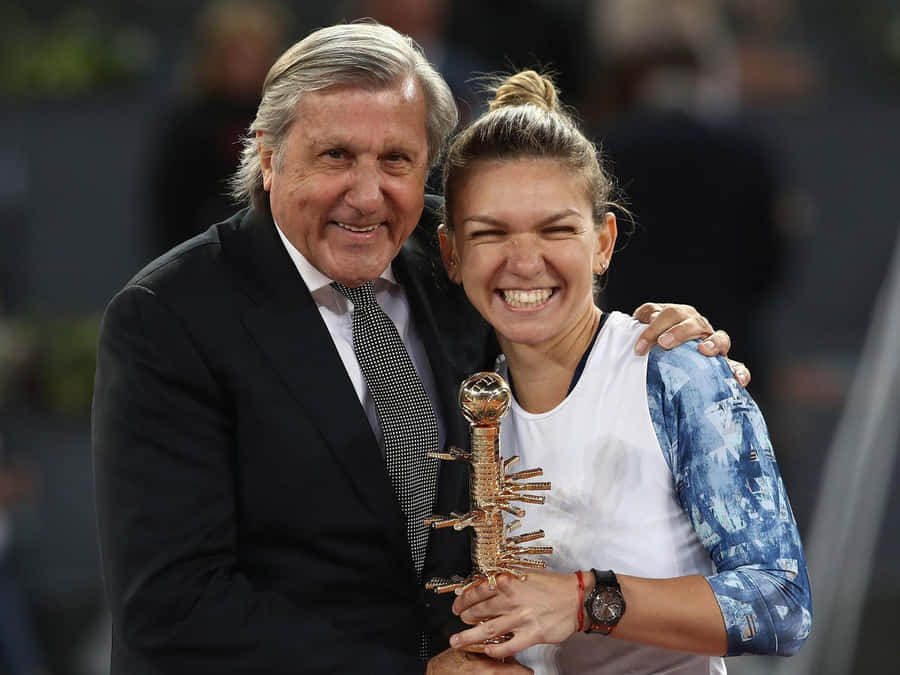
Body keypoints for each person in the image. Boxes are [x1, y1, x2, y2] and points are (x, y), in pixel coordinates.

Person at [93, 22, 748, 675]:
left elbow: (566, 326)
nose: (366, 195)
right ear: (268, 156)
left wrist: (663, 350)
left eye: (396, 161)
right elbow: (172, 607)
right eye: (336, 156)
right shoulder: (168, 319)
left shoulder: (457, 253)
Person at [437, 71, 811, 673]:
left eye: (556, 229)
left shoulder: (675, 372)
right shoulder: (457, 403)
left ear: (603, 242)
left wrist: (585, 599)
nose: (525, 261)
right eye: (490, 234)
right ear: (451, 253)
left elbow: (780, 604)